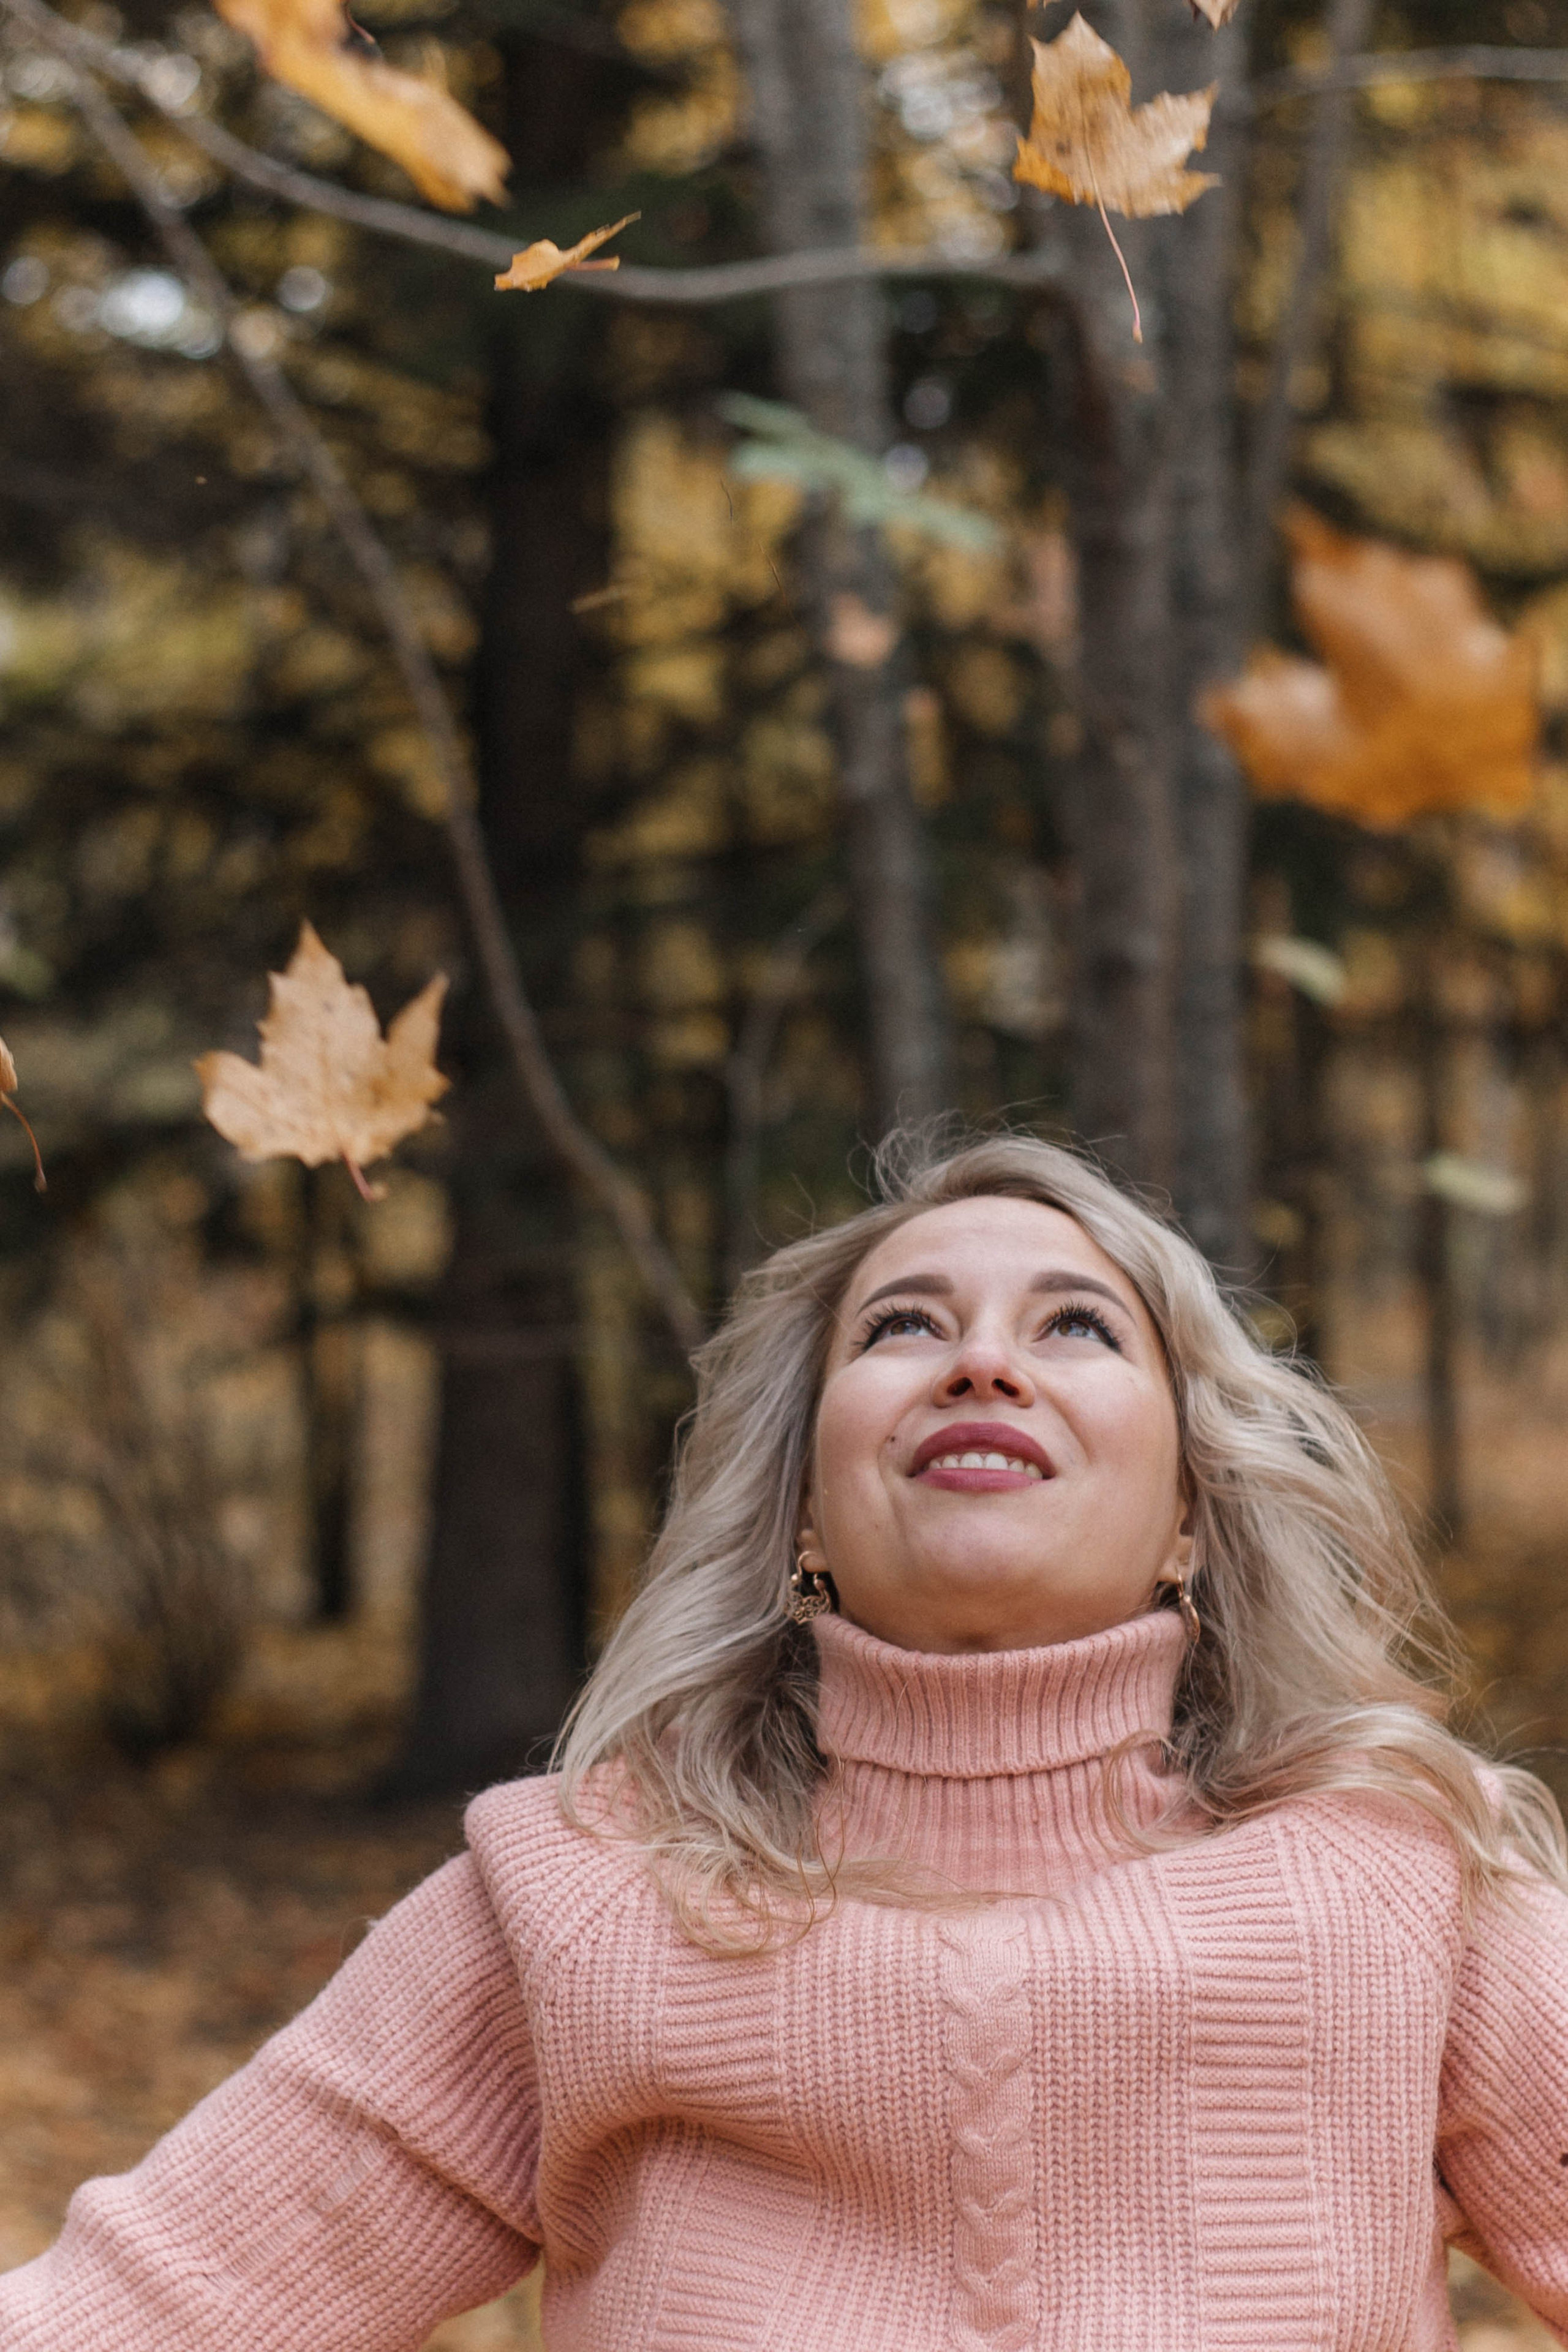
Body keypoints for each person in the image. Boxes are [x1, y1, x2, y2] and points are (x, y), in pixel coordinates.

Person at [3, 1132, 1567, 2351]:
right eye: (903, 1324)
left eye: (1075, 1325)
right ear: (804, 1505)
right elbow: (166, 2299)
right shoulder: (582, 1898)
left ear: (1188, 1511)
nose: (981, 1361)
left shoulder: (1404, 1881)